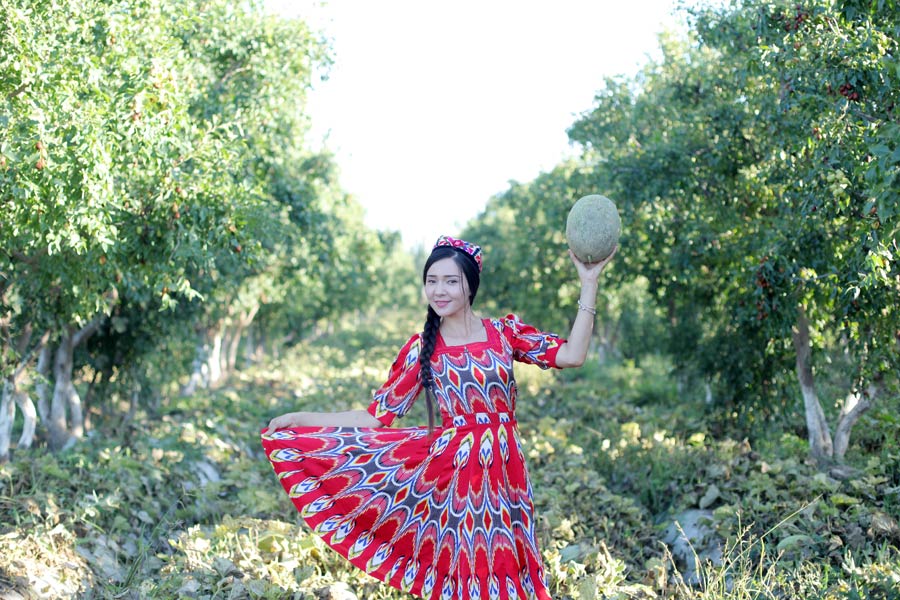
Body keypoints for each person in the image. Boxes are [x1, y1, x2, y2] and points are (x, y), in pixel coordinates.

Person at [262, 235, 616, 600]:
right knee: (473, 567)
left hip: (506, 469)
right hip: (456, 475)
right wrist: (303, 418)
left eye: (450, 281)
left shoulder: (503, 333)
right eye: (432, 281)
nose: (439, 290)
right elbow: (375, 418)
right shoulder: (423, 348)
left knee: (509, 566)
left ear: (470, 286)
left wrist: (589, 284)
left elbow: (572, 355)